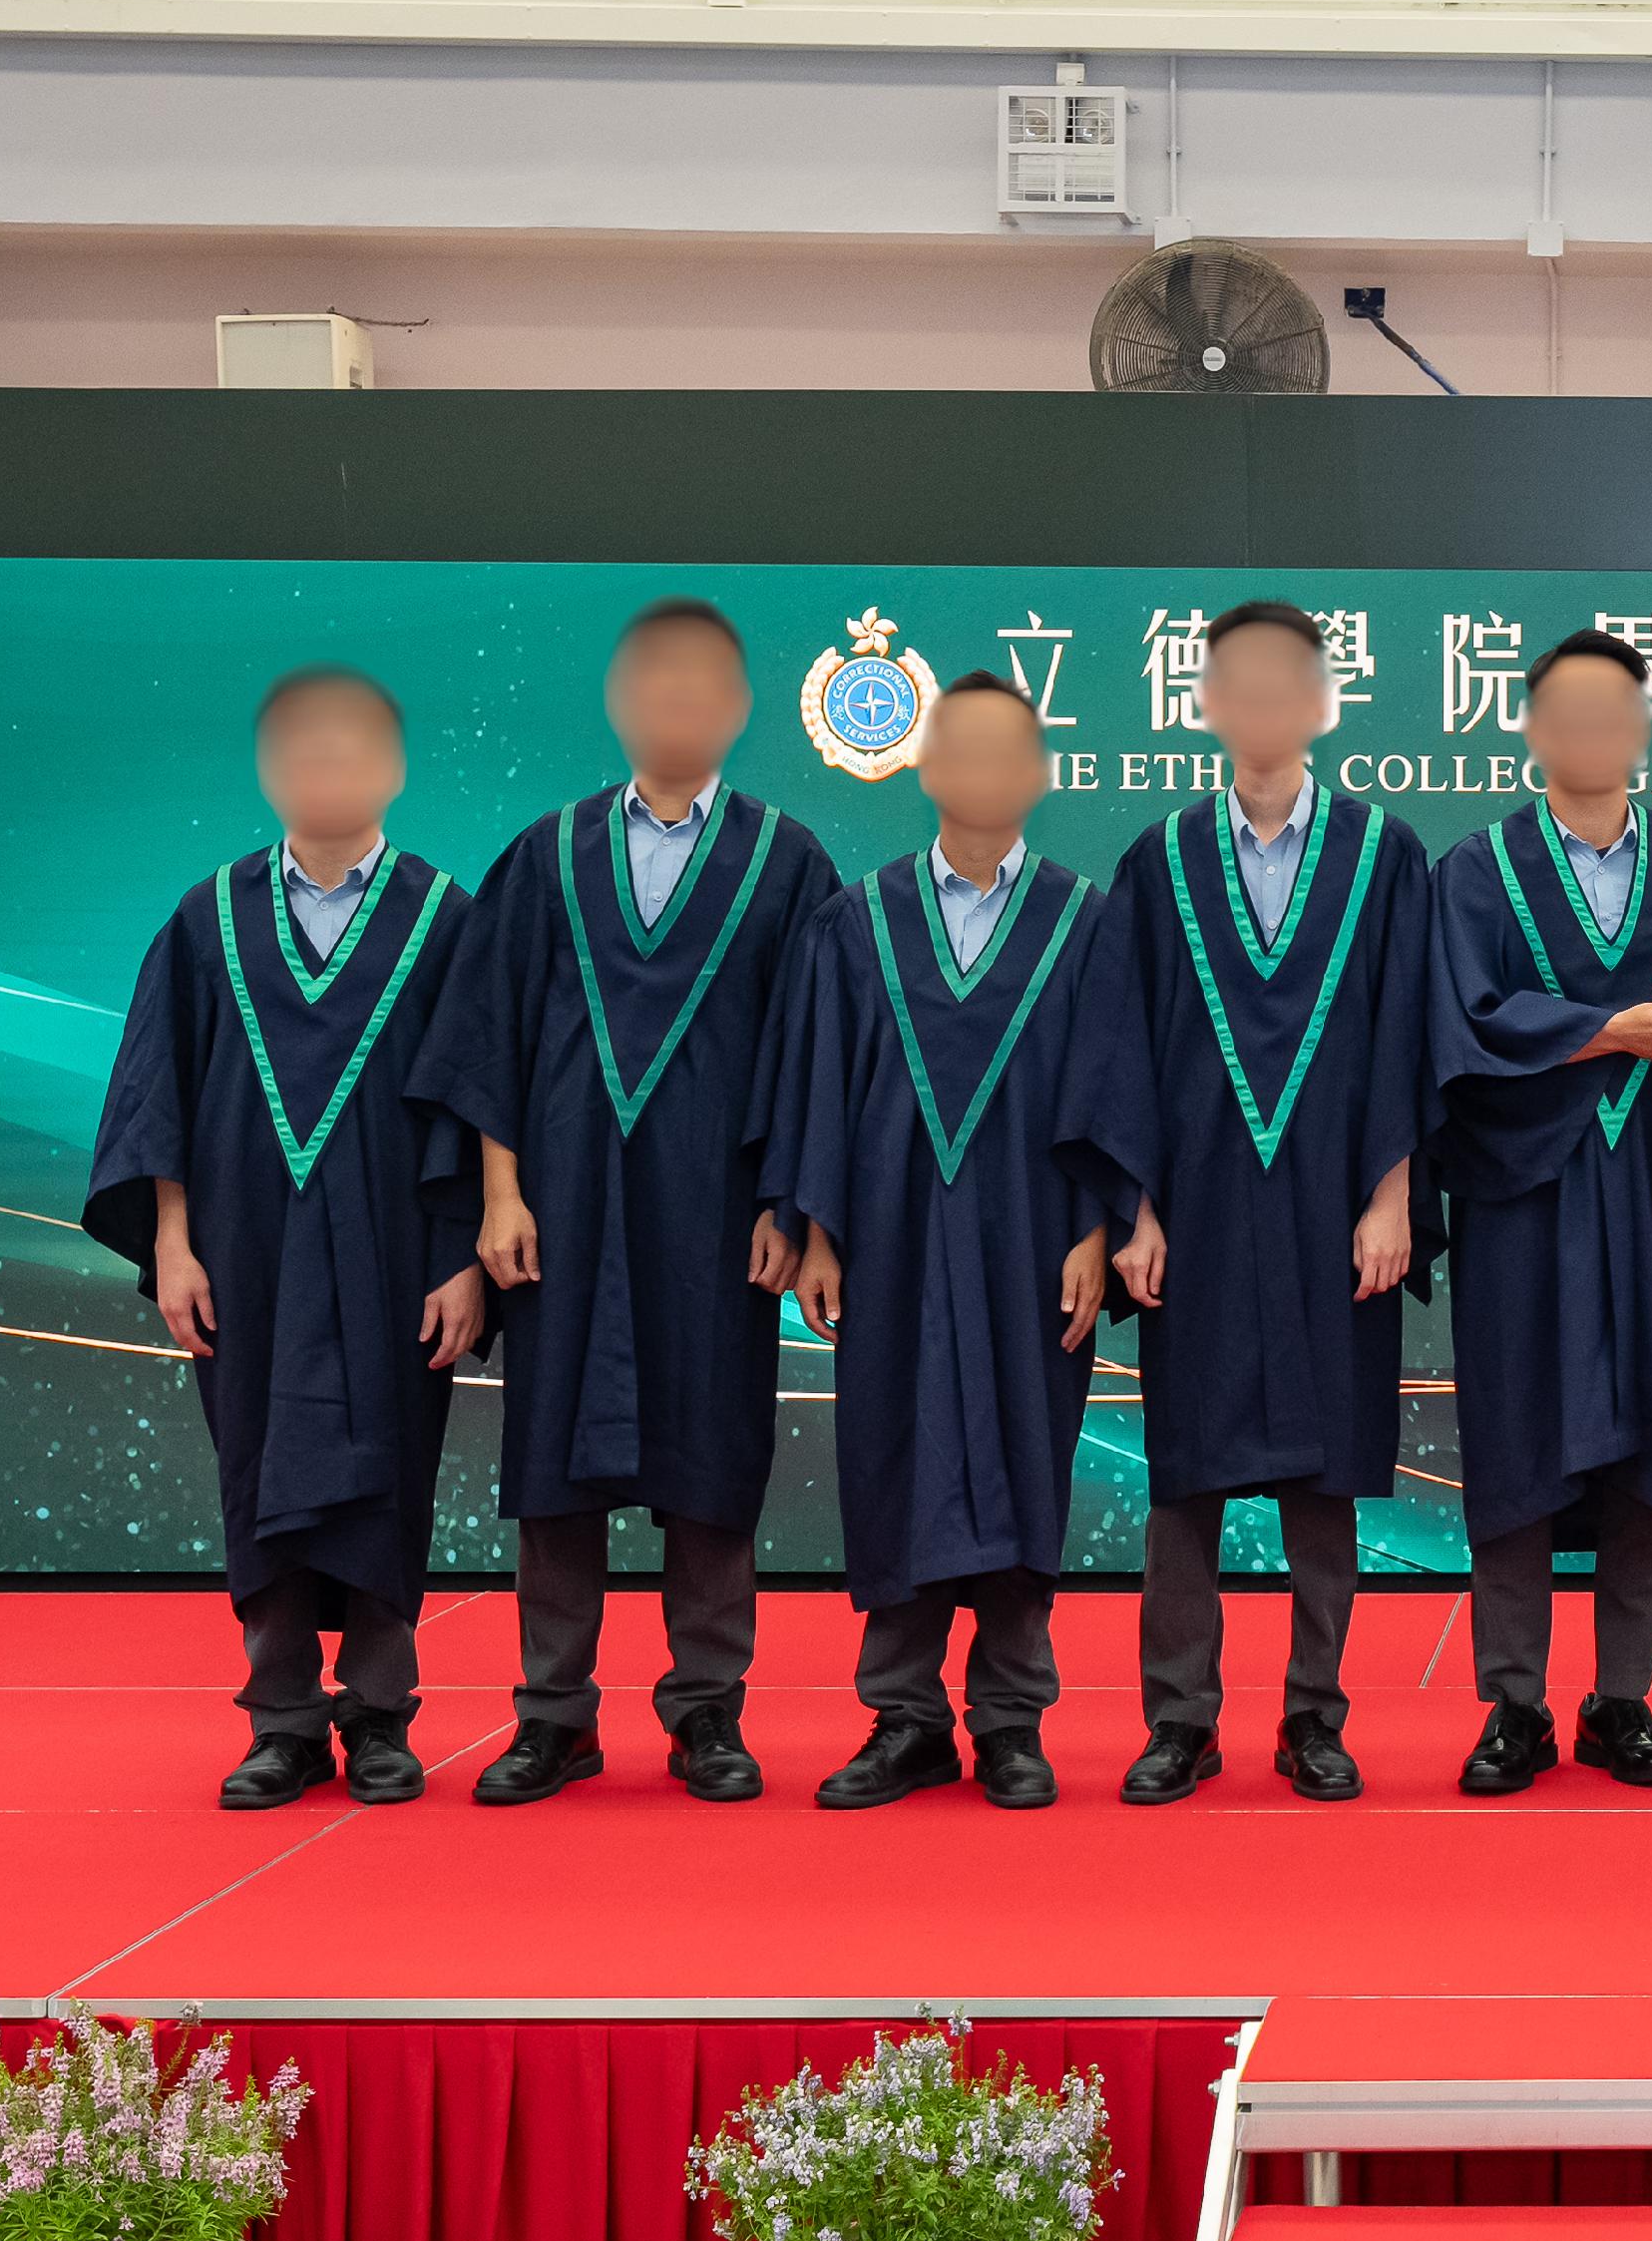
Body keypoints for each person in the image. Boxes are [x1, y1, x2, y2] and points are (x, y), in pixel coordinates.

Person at [408, 597, 839, 1806]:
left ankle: (708, 1711)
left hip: (716, 1212)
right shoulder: (545, 856)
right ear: (618, 701)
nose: (678, 705)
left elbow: (812, 1052)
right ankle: (556, 1714)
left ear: (741, 709)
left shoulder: (787, 859)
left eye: (703, 686)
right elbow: (485, 1036)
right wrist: (497, 1194)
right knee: (557, 1458)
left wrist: (787, 1204)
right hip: (567, 1206)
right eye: (656, 683)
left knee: (711, 1454)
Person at [88, 667, 485, 1810]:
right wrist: (172, 1240)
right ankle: (282, 1719)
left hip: (394, 1243)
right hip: (244, 1245)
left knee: (387, 1468)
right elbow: (158, 1090)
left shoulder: (443, 917)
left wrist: (463, 1257)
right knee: (258, 1458)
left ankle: (378, 1717)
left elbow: (476, 1099)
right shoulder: (205, 917)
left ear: (394, 770)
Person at [1425, 628, 1652, 1795]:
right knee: (1514, 1432)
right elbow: (1459, 1020)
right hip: (1523, 1198)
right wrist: (1603, 1030)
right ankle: (1514, 1703)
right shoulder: (1475, 871)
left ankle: (1620, 1698)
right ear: (1531, 729)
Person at [763, 672, 1144, 1810]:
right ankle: (903, 1716)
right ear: (923, 769)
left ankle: (1012, 1720)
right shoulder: (856, 920)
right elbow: (819, 1079)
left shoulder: (1086, 922)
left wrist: (1093, 1228)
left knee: (1025, 1455)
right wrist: (816, 1229)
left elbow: (1111, 1089)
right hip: (888, 1237)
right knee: (893, 1455)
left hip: (1033, 1241)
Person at [1099, 602, 1436, 1806]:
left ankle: (1313, 1715)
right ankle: (1179, 1719)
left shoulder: (1384, 854)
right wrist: (1136, 1210)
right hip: (1191, 1203)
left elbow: (1409, 1030)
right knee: (1185, 1473)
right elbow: (1122, 1050)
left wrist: (1391, 1193)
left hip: (1333, 1201)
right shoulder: (1159, 859)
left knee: (1324, 1468)